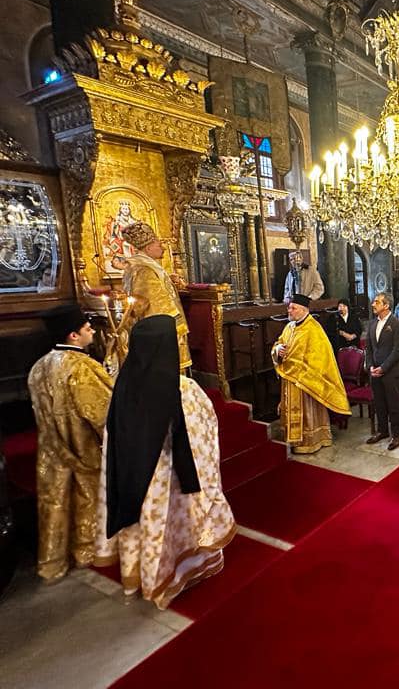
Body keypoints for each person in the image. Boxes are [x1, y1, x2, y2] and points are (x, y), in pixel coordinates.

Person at [95, 315, 235, 608]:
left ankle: (149, 577)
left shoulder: (125, 383)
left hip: (139, 480)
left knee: (152, 528)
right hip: (176, 479)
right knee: (181, 529)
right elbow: (204, 433)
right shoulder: (183, 390)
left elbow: (113, 435)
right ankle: (187, 571)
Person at [27, 304, 113, 582]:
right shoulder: (83, 368)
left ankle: (51, 563)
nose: (92, 332)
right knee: (87, 498)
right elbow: (103, 412)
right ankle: (86, 552)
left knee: (55, 503)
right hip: (84, 448)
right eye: (87, 329)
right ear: (73, 336)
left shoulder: (39, 367)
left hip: (51, 450)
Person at [271, 294, 351, 455]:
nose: (289, 310)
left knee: (308, 412)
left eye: (293, 308)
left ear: (303, 310)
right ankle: (292, 439)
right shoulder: (289, 327)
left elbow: (321, 358)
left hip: (306, 381)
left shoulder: (314, 329)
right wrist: (277, 350)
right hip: (290, 378)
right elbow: (278, 343)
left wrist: (303, 370)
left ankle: (312, 440)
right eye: (289, 307)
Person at [121, 222, 191, 371]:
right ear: (148, 248)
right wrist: (177, 327)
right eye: (159, 244)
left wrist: (168, 281)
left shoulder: (140, 266)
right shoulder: (144, 270)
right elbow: (157, 304)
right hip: (161, 335)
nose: (163, 247)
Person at [365, 292, 399, 450]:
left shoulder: (397, 324)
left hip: (390, 372)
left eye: (377, 302)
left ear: (386, 305)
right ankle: (382, 431)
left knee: (393, 404)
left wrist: (383, 368)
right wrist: (370, 366)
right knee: (379, 403)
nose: (373, 304)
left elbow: (398, 350)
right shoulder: (372, 324)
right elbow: (368, 348)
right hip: (374, 371)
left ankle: (396, 435)